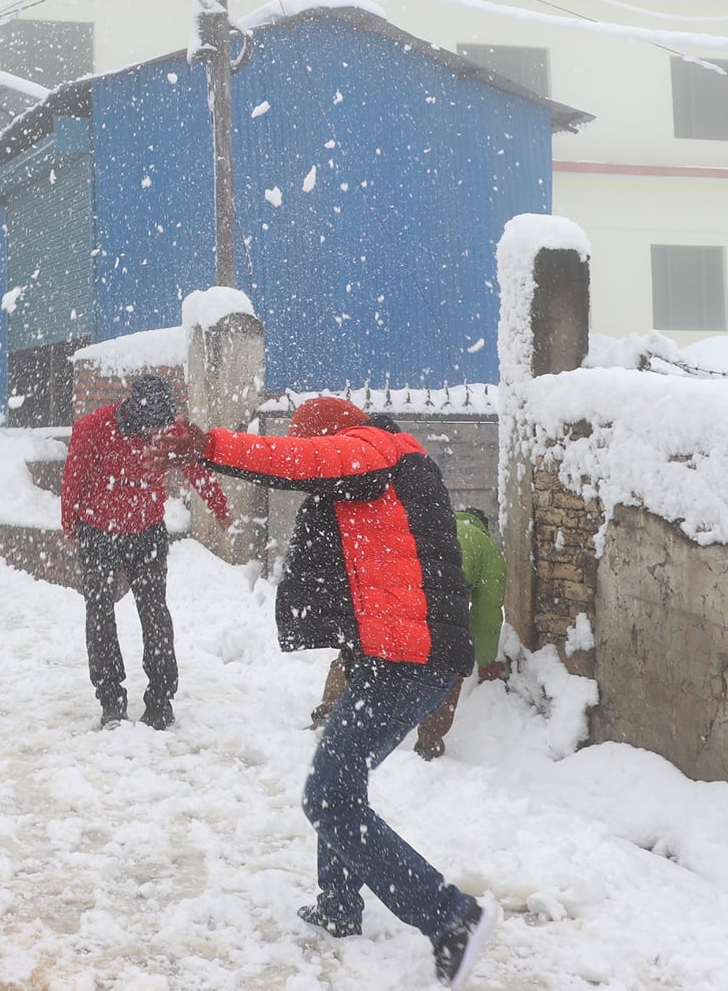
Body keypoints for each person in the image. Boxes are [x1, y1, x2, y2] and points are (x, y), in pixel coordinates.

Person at [151, 395, 499, 988]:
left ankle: (450, 916)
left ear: (333, 437)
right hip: (388, 654)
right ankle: (339, 904)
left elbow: (295, 461)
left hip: (407, 661)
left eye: (311, 440)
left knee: (327, 797)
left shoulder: (370, 451)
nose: (311, 451)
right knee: (341, 781)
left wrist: (210, 448)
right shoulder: (391, 464)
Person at [61, 374, 230, 730]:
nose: (156, 433)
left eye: (161, 424)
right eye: (149, 425)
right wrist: (69, 525)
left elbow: (195, 470)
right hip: (99, 533)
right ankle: (111, 700)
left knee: (155, 614)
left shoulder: (170, 429)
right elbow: (73, 478)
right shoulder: (93, 427)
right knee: (100, 614)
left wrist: (221, 509)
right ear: (132, 412)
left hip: (147, 532)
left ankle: (160, 699)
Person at [311, 504, 508, 759]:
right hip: (444, 608)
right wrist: (483, 658)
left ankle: (330, 710)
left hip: (399, 593)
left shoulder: (429, 523)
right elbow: (487, 613)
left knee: (363, 649)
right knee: (448, 666)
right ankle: (429, 743)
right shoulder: (487, 548)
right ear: (484, 526)